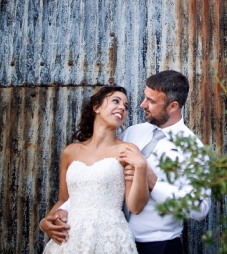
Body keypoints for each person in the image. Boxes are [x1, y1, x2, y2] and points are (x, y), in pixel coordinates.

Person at [41, 70, 210, 254]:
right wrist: (57, 214)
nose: (142, 104)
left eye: (151, 101)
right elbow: (99, 179)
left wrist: (154, 183)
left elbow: (200, 210)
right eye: (145, 97)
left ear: (173, 106)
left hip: (157, 246)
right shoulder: (132, 133)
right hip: (110, 243)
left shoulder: (193, 150)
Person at [42, 86, 149, 254]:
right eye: (116, 101)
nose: (122, 107)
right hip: (71, 236)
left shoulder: (127, 150)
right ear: (96, 107)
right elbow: (64, 199)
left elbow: (135, 207)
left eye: (126, 106)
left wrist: (141, 166)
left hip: (109, 237)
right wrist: (46, 222)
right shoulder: (70, 151)